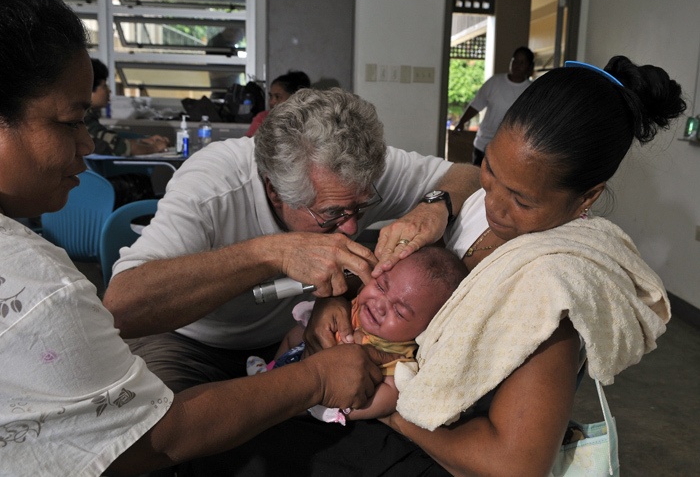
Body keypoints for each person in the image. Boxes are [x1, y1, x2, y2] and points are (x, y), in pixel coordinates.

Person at [213, 56, 685, 476]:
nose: (495, 207)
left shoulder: (551, 281)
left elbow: (515, 464)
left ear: (587, 196)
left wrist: (387, 405)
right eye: (492, 172)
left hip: (426, 448)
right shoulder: (466, 209)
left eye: (520, 199)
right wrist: (335, 302)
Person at [0, 0, 390, 476]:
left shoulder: (359, 165)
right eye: (70, 122)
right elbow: (158, 437)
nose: (84, 145)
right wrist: (316, 378)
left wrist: (429, 210)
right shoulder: (41, 293)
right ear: (274, 185)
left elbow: (459, 182)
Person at [103, 85, 479, 392]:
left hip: (287, 338)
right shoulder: (212, 185)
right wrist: (271, 253)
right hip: (190, 343)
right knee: (165, 437)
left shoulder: (354, 171)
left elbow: (470, 176)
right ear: (274, 191)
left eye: (361, 209)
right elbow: (123, 307)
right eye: (331, 214)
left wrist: (432, 207)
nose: (350, 229)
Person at [248, 246, 468, 425]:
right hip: (304, 354)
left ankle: (300, 409)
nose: (380, 305)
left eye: (399, 312)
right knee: (295, 335)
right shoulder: (355, 307)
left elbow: (391, 396)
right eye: (381, 287)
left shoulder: (395, 354)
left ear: (426, 329)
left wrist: (346, 413)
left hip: (325, 398)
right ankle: (270, 369)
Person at [453, 46, 535, 166]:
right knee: (478, 181)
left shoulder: (532, 90)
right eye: (515, 60)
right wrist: (461, 122)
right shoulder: (495, 82)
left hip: (511, 149)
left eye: (522, 62)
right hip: (483, 145)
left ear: (529, 66)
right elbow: (476, 105)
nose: (517, 65)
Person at [86, 58, 170, 157]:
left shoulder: (89, 115)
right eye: (104, 86)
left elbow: (110, 140)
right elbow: (123, 148)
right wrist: (155, 148)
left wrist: (143, 141)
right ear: (88, 89)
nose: (109, 91)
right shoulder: (83, 120)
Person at [244, 70, 311, 137]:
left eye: (278, 97)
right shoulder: (263, 118)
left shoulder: (309, 122)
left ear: (295, 98)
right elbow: (248, 144)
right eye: (270, 96)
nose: (272, 102)